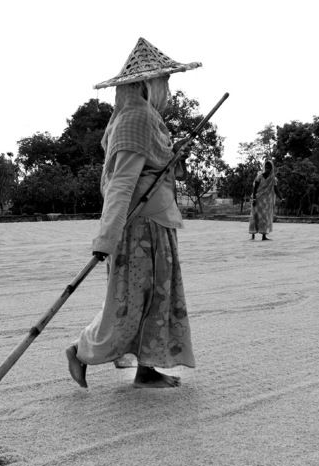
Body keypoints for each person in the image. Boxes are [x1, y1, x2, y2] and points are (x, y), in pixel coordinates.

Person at [65, 38, 200, 389]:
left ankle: (147, 369)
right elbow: (122, 182)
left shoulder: (147, 118)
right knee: (127, 303)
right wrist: (106, 237)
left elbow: (159, 171)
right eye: (164, 81)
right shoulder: (135, 118)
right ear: (146, 84)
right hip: (136, 226)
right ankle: (80, 351)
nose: (167, 89)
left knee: (157, 297)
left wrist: (173, 159)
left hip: (156, 222)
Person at [249, 159, 278, 240]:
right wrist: (254, 199)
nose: (268, 168)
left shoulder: (273, 179)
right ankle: (253, 235)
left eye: (269, 167)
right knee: (255, 216)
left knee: (265, 217)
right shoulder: (259, 176)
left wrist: (281, 197)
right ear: (264, 167)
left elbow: (276, 189)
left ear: (272, 168)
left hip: (266, 202)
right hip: (257, 200)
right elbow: (255, 188)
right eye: (266, 166)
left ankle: (264, 236)